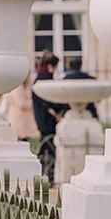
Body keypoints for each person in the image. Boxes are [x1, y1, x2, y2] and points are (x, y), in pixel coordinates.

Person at [31, 50, 65, 183]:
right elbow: (48, 102)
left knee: (46, 146)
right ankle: (48, 176)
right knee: (48, 148)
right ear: (50, 65)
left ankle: (44, 174)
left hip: (43, 119)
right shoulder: (43, 79)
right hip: (47, 119)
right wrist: (58, 111)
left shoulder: (41, 77)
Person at [0, 75, 38, 141]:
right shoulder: (17, 87)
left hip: (21, 118)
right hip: (18, 118)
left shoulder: (22, 86)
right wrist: (35, 103)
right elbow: (21, 103)